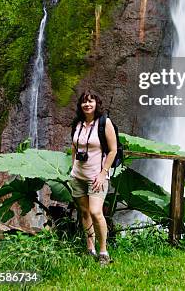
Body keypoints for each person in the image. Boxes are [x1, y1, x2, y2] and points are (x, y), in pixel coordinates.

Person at [70, 90, 117, 266]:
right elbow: (74, 146)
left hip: (97, 177)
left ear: (97, 103)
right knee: (84, 212)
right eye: (84, 102)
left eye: (90, 101)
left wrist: (104, 173)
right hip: (78, 176)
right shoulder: (77, 123)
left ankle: (103, 251)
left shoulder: (105, 123)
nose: (87, 105)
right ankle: (90, 248)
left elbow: (112, 150)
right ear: (80, 105)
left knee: (96, 212)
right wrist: (72, 166)